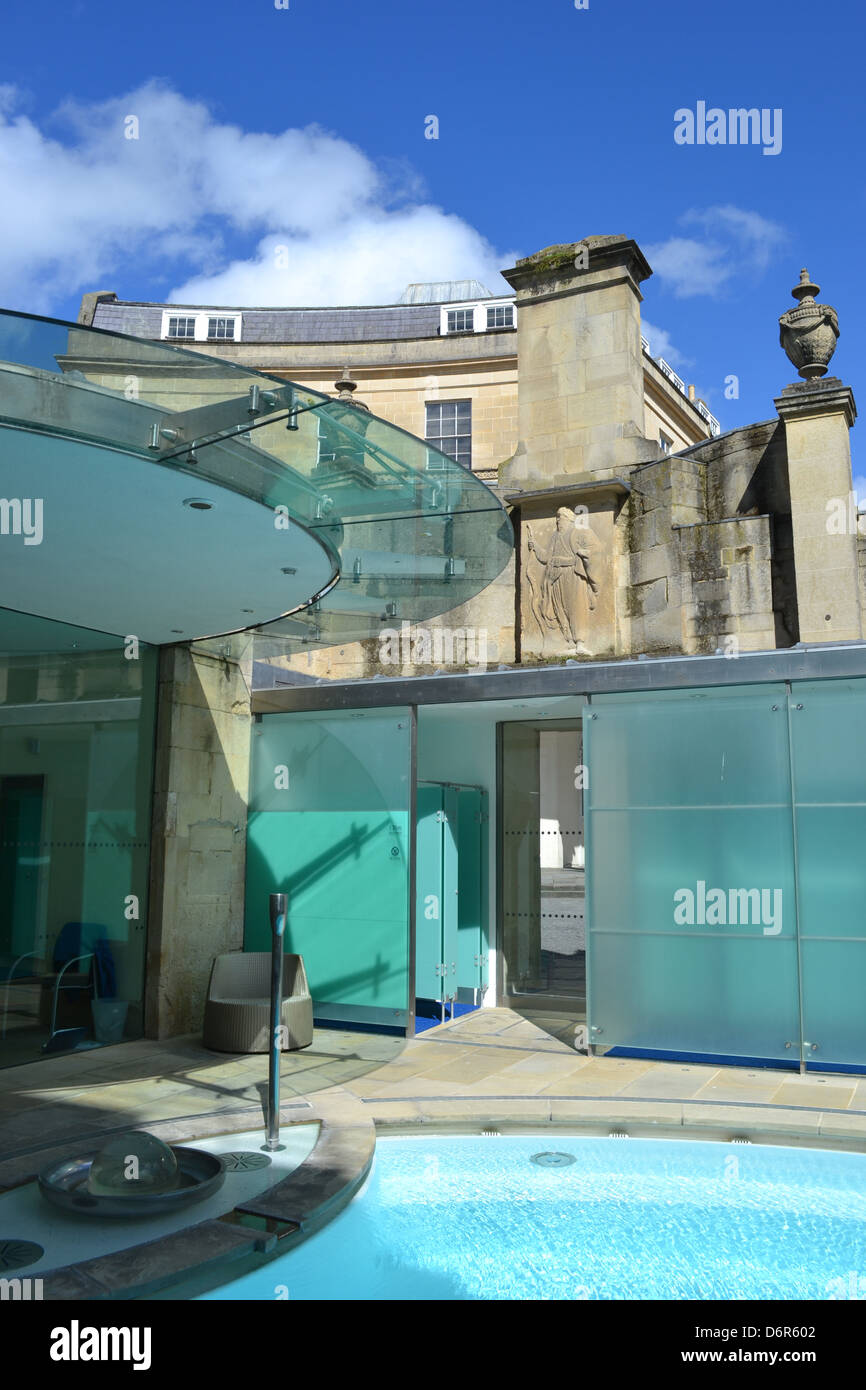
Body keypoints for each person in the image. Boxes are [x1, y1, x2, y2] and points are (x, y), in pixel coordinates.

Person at [527, 507, 599, 651]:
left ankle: (580, 642)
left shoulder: (580, 531)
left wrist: (584, 552)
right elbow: (546, 557)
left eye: (560, 517)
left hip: (573, 574)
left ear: (568, 518)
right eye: (557, 517)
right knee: (560, 607)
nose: (557, 520)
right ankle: (569, 641)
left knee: (576, 607)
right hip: (556, 576)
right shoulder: (555, 536)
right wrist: (535, 547)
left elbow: (595, 549)